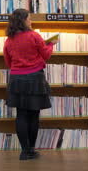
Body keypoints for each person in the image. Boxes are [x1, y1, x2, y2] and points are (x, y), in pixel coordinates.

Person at [3, 9, 57, 160]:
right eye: (29, 19)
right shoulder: (34, 35)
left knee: (21, 115)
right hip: (35, 78)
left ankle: (24, 151)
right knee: (33, 115)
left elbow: (8, 62)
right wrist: (51, 44)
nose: (31, 21)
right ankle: (31, 150)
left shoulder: (9, 40)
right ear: (23, 21)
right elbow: (46, 55)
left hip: (16, 79)